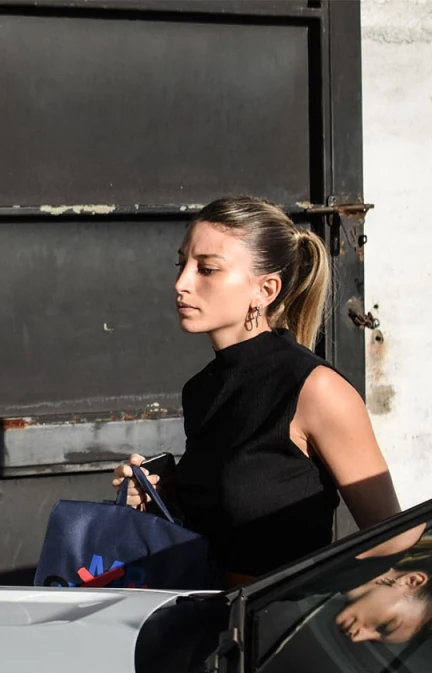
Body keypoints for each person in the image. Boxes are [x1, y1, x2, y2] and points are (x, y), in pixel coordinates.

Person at [112, 196, 408, 587]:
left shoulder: (316, 390)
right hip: (200, 624)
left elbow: (394, 540)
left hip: (275, 633)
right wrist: (158, 495)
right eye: (181, 264)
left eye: (207, 269)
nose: (181, 283)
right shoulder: (202, 388)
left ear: (265, 290)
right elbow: (225, 522)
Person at [335, 535, 432, 644]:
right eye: (384, 626)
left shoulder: (328, 584)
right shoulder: (394, 539)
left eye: (373, 641)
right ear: (411, 581)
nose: (356, 638)